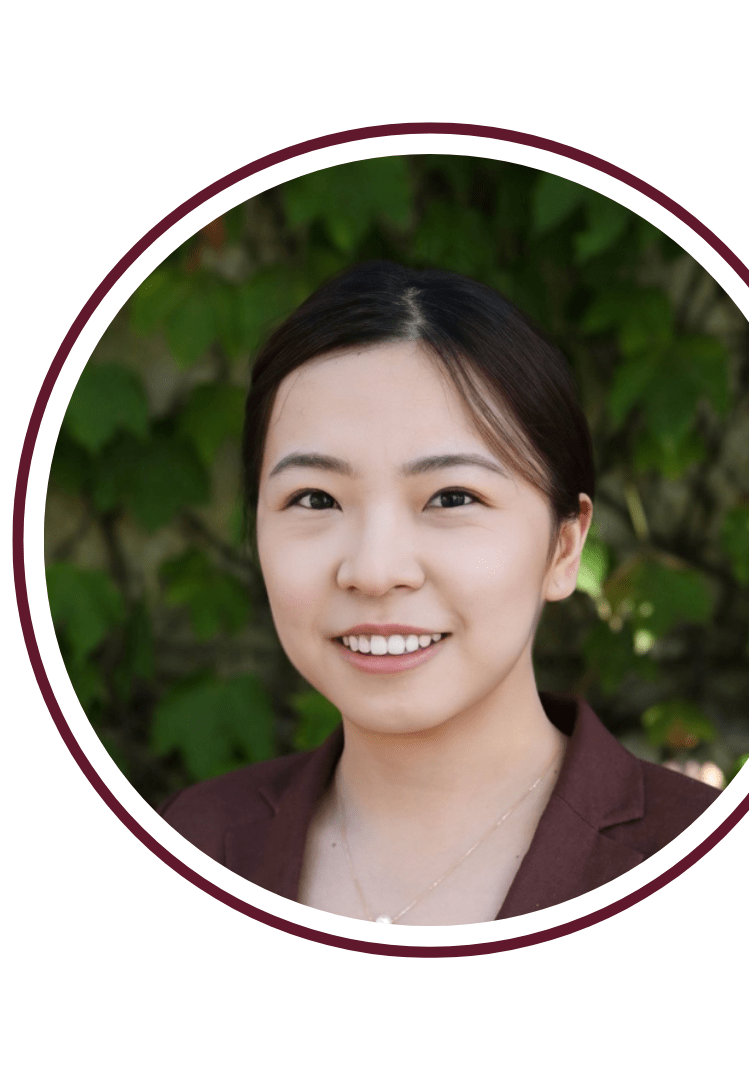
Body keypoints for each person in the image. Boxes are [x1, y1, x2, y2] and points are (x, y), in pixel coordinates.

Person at [161, 261, 719, 925]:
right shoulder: (192, 847)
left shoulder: (706, 861)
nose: (374, 571)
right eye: (315, 498)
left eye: (452, 497)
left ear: (565, 546)